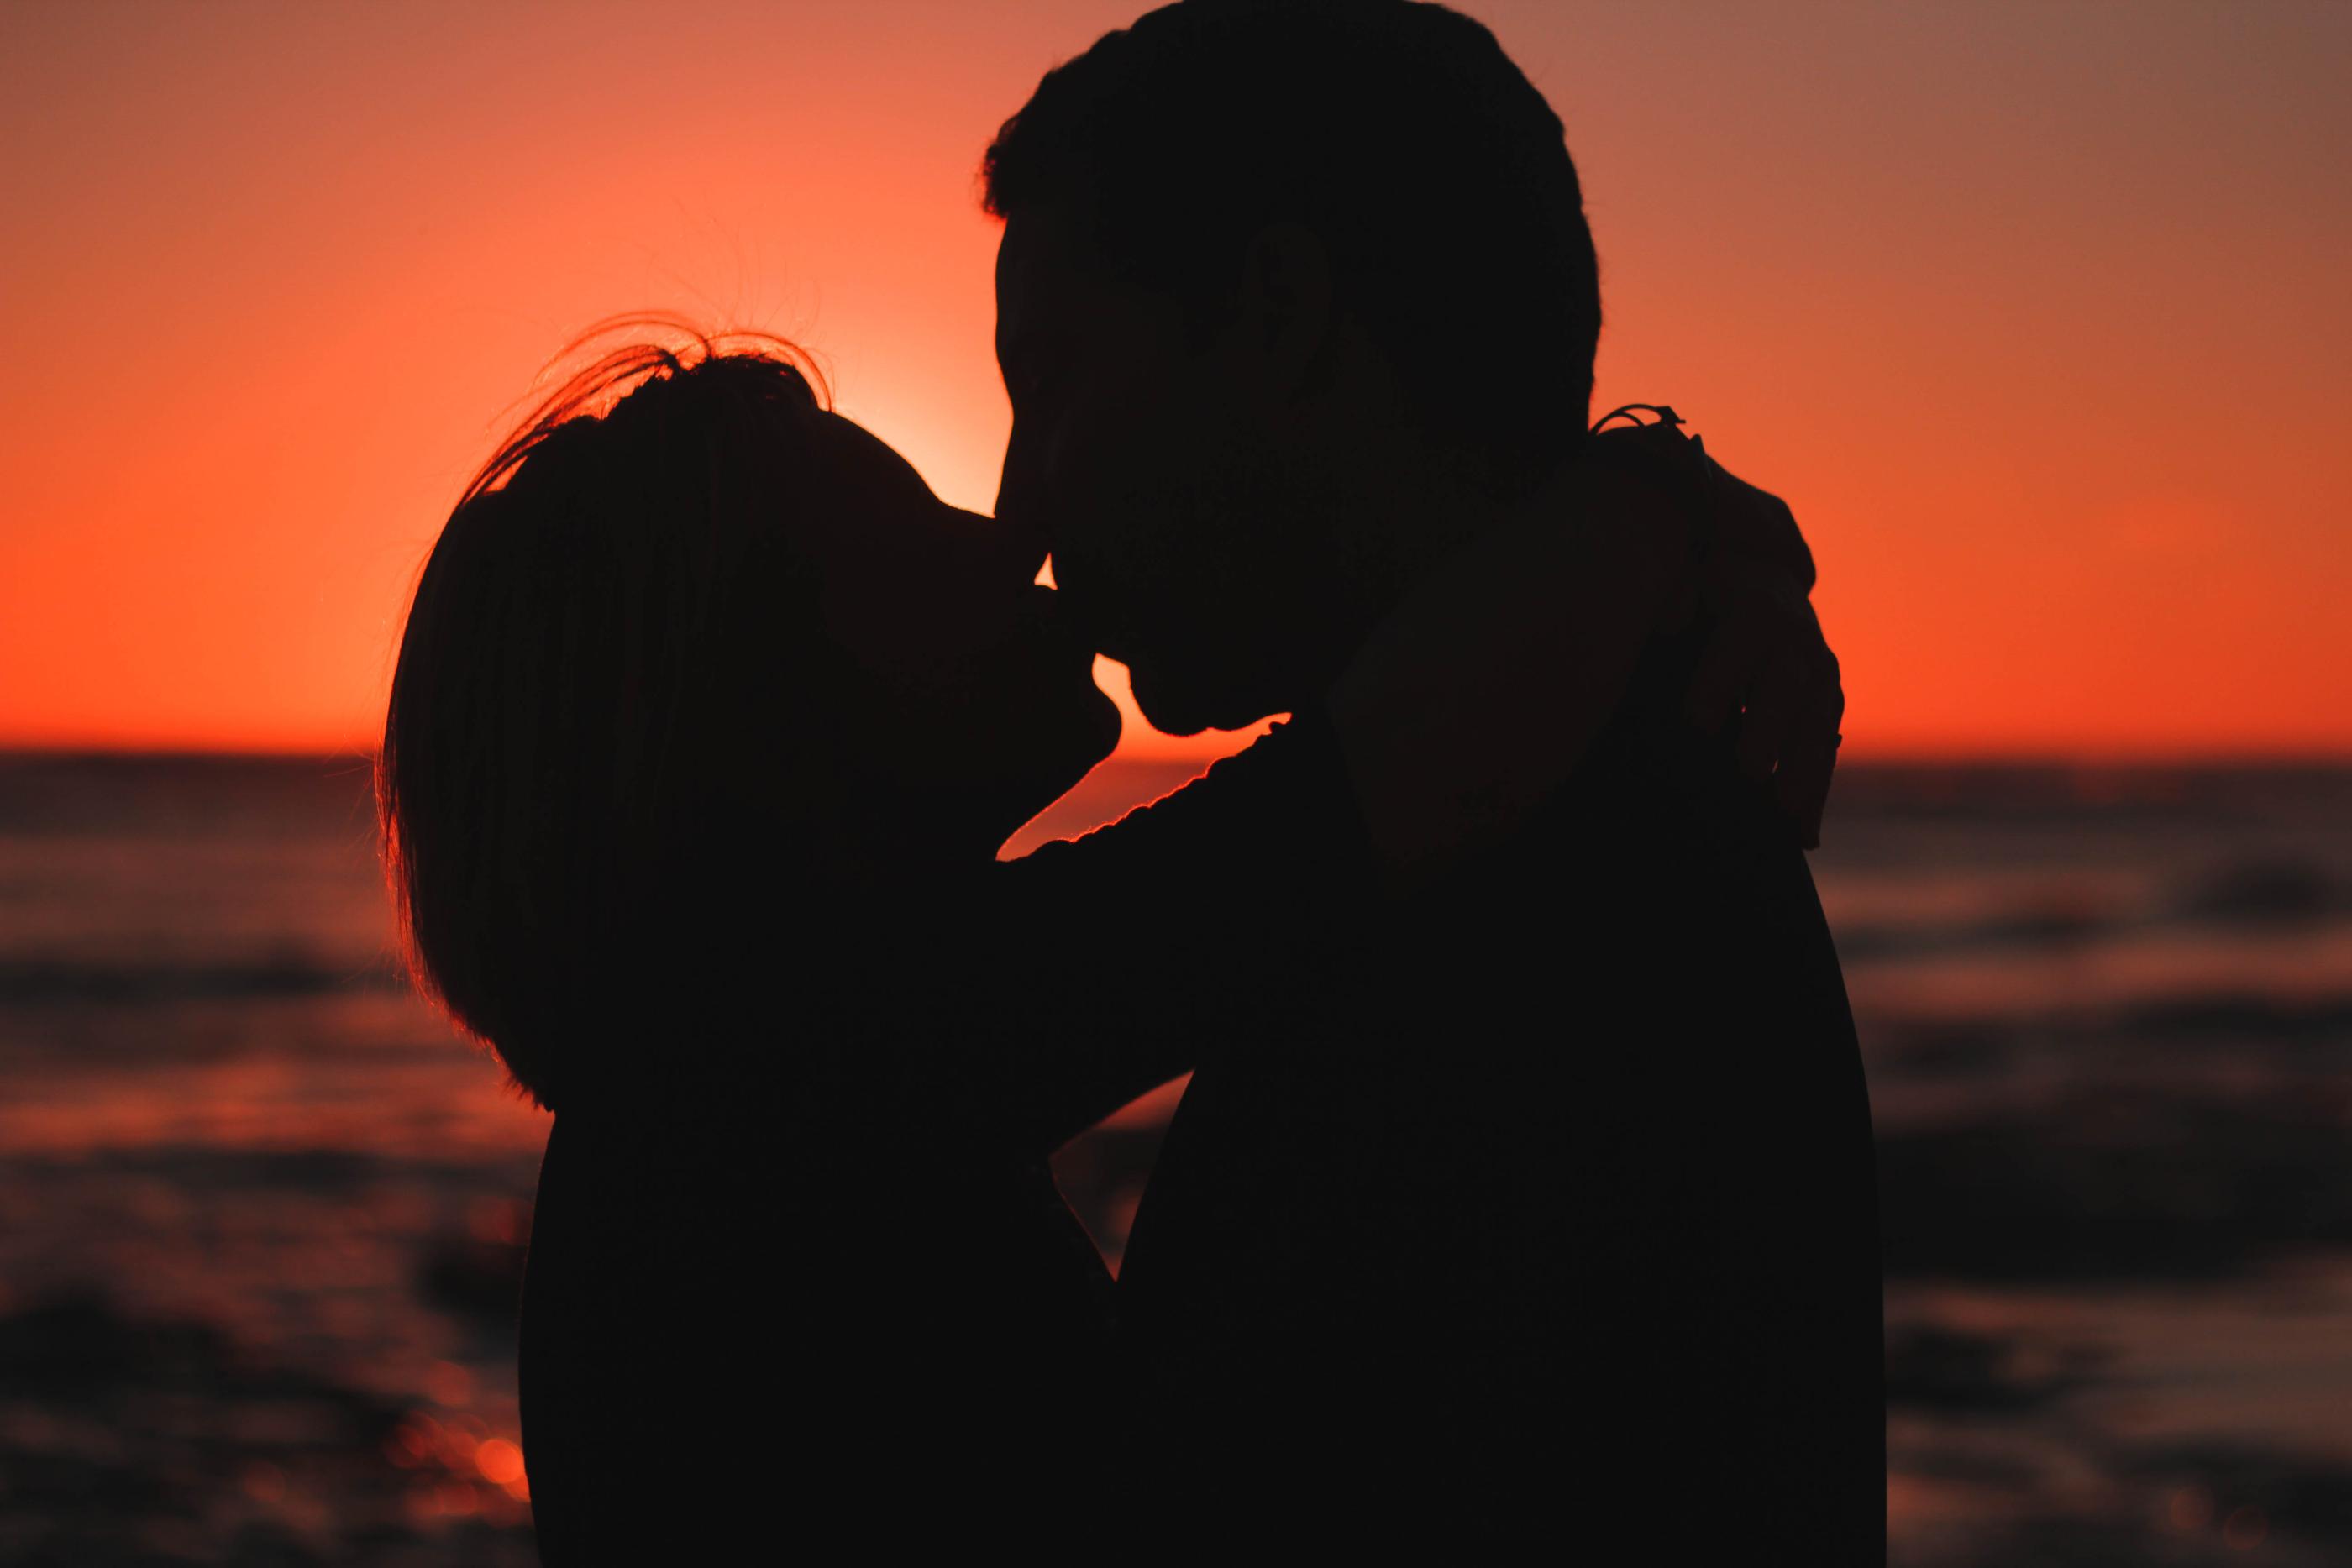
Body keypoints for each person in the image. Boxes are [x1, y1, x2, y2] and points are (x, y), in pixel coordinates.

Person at [378, 317, 1835, 1554]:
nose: (1009, 535)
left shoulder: (729, 1079)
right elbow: (1382, 775)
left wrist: (1688, 516)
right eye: (912, 522)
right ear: (754, 701)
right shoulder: (773, 1077)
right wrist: (1657, 495)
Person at [984, 0, 1882, 1556]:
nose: (1016, 512)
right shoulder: (1548, 826)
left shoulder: (1536, 915)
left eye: (1050, 381)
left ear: (1278, 315)